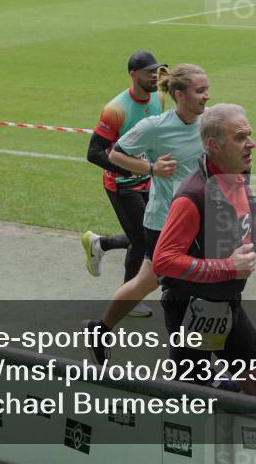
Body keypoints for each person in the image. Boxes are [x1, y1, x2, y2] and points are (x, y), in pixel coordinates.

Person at [83, 64, 209, 364]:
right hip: (165, 221)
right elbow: (114, 153)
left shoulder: (209, 123)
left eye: (207, 89)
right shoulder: (156, 126)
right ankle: (187, 363)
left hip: (197, 220)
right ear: (179, 94)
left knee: (147, 281)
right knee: (186, 288)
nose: (207, 96)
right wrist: (151, 168)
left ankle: (99, 330)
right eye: (200, 90)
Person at [153, 103, 256, 399]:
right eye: (240, 137)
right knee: (196, 400)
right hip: (190, 309)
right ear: (213, 145)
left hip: (227, 301)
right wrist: (229, 267)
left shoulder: (239, 171)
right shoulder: (192, 196)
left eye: (250, 135)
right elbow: (163, 261)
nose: (251, 144)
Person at [81, 51, 166, 319]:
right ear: (133, 74)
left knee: (150, 234)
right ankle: (130, 297)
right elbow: (94, 152)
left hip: (149, 179)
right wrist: (126, 170)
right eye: (149, 72)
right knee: (142, 242)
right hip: (122, 185)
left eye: (157, 71)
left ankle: (101, 244)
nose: (154, 76)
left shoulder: (158, 98)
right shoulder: (115, 109)